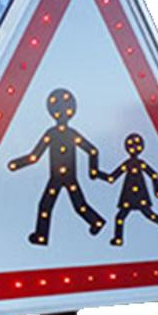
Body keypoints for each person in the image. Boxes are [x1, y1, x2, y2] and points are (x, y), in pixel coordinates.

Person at [8, 88, 106, 245]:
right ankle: (96, 222)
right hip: (59, 177)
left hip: (64, 177)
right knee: (68, 205)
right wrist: (17, 164)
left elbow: (92, 150)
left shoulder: (65, 134)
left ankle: (43, 235)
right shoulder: (55, 134)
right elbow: (35, 156)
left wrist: (93, 171)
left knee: (61, 206)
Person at [96, 133, 158, 246]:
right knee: (121, 217)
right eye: (131, 145)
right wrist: (98, 174)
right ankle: (118, 239)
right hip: (129, 195)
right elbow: (112, 177)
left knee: (147, 214)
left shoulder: (140, 163)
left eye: (136, 145)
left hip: (139, 194)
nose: (134, 148)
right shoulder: (127, 164)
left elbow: (154, 175)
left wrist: (157, 190)